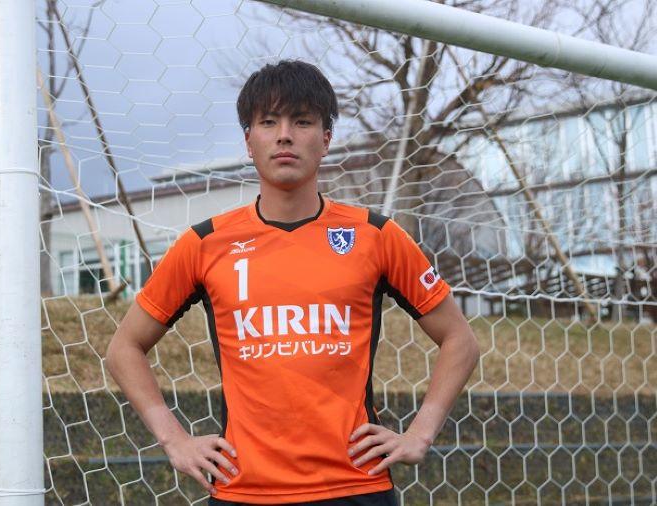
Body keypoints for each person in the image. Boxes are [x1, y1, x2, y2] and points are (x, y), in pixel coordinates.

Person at [106, 59, 480, 506]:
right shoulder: (204, 244)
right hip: (244, 490)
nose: (284, 135)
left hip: (355, 488)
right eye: (269, 122)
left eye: (302, 121)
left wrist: (420, 433)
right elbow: (123, 348)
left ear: (326, 139)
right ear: (249, 141)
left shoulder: (376, 236)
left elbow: (460, 340)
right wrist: (174, 440)